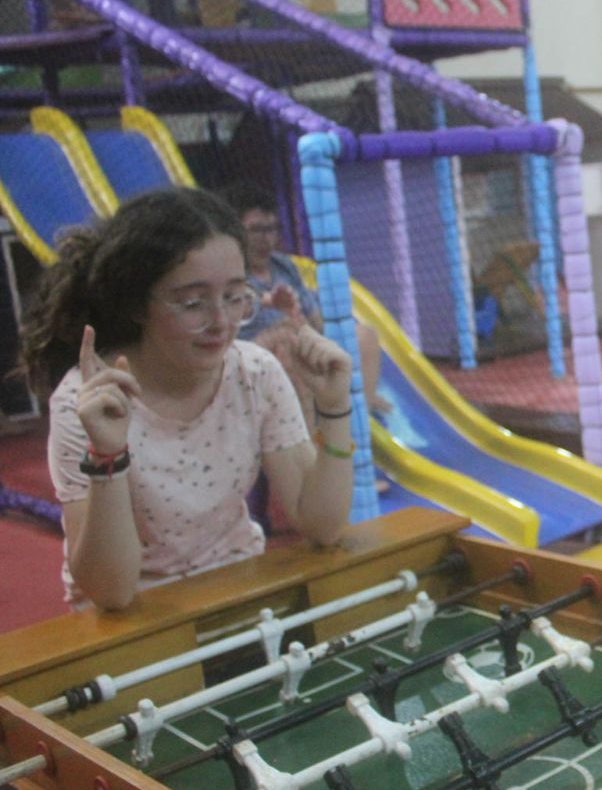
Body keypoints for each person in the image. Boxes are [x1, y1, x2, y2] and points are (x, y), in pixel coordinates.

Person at [20, 188, 354, 611]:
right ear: (137, 305)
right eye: (193, 303)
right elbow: (112, 592)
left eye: (235, 296)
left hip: (238, 592)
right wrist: (108, 455)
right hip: (134, 617)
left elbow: (323, 527)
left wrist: (334, 408)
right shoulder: (88, 402)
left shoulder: (254, 373)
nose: (221, 322)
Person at [221, 184, 390, 417]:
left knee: (364, 335)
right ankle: (315, 421)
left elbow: (314, 319)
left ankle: (361, 408)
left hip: (302, 349)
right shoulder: (230, 273)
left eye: (273, 229)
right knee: (286, 343)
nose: (267, 239)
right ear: (236, 232)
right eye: (257, 230)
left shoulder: (283, 266)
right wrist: (270, 305)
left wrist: (333, 342)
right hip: (260, 362)